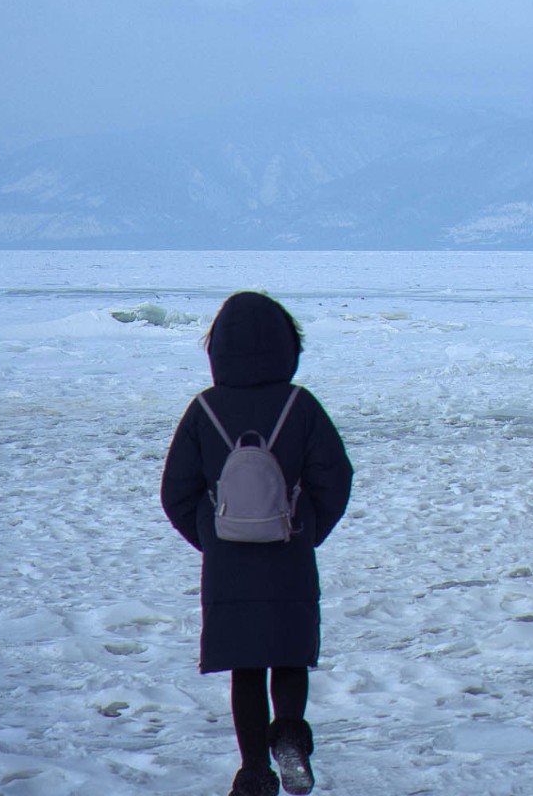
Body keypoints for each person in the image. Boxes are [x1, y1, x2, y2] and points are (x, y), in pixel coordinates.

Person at [162, 291, 354, 796]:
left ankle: (253, 774)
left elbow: (175, 492)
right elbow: (335, 478)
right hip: (289, 552)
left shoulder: (204, 409)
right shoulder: (300, 405)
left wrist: (212, 537)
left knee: (246, 667)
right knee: (288, 656)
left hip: (229, 560)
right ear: (287, 345)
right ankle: (289, 734)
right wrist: (306, 529)